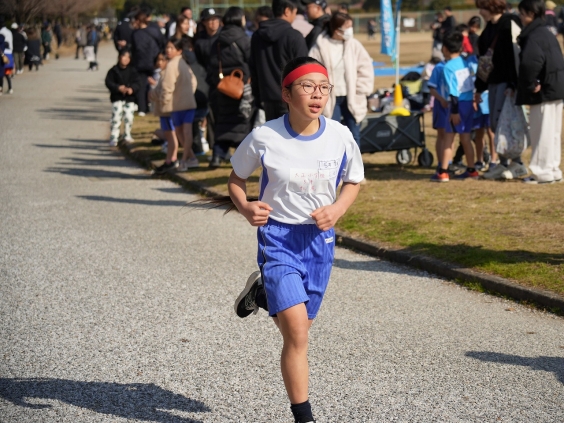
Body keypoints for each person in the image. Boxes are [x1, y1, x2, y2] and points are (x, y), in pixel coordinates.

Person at [229, 56, 364, 423]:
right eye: (307, 87)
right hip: (279, 239)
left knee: (299, 329)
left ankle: (262, 294)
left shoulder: (340, 135)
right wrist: (245, 207)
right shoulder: (265, 136)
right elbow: (236, 179)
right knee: (298, 336)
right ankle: (304, 418)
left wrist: (337, 210)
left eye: (324, 88)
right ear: (286, 94)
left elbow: (353, 181)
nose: (317, 94)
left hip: (319, 242)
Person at [475, 0, 525, 180]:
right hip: (493, 81)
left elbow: (515, 55)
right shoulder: (489, 27)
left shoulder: (509, 23)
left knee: (506, 123)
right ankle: (504, 163)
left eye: (482, 8)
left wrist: (513, 84)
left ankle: (517, 163)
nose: (480, 12)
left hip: (506, 82)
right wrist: (479, 88)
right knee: (495, 124)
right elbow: (484, 59)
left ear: (491, 7)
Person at [516, 0, 564, 183]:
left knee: (541, 132)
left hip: (544, 91)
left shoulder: (534, 35)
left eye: (522, 13)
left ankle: (541, 172)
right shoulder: (546, 32)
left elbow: (530, 63)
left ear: (531, 13)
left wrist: (530, 84)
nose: (520, 17)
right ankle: (552, 169)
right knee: (553, 133)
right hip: (556, 87)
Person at [308, 12, 374, 147]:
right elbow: (311, 72)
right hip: (329, 99)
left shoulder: (354, 45)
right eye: (347, 27)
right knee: (331, 135)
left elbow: (365, 68)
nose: (351, 30)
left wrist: (360, 89)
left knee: (354, 135)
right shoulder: (320, 47)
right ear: (337, 30)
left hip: (352, 96)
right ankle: (335, 160)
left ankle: (354, 161)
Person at [206, 7, 253, 168]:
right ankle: (241, 159)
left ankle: (217, 156)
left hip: (223, 87)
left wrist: (217, 82)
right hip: (242, 87)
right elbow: (251, 61)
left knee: (223, 122)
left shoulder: (217, 41)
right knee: (242, 122)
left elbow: (212, 65)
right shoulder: (244, 39)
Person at [250, 0, 308, 121]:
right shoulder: (294, 36)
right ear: (287, 11)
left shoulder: (257, 35)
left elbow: (253, 68)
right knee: (292, 131)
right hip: (291, 97)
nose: (294, 17)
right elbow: (303, 71)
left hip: (267, 97)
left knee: (273, 131)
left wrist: (257, 96)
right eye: (294, 12)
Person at [433, 31, 479, 182]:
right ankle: (472, 170)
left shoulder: (448, 67)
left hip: (457, 105)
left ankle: (443, 172)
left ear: (445, 49)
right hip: (469, 104)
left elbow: (453, 91)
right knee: (466, 138)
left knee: (448, 138)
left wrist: (453, 111)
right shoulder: (466, 63)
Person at [155, 37, 198, 173]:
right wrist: (188, 94)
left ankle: (184, 160)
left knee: (181, 133)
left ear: (178, 50)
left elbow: (167, 86)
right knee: (185, 132)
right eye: (167, 47)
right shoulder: (184, 63)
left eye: (171, 48)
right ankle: (191, 158)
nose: (168, 50)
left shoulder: (172, 65)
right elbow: (194, 82)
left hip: (177, 105)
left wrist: (164, 101)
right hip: (189, 103)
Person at [131, 8, 165, 115]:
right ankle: (156, 106)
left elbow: (133, 50)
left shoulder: (135, 34)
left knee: (141, 86)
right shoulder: (155, 30)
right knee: (156, 84)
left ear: (138, 20)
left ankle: (142, 108)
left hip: (140, 63)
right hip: (155, 62)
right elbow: (162, 43)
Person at [105, 49, 141, 146]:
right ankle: (114, 137)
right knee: (116, 117)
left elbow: (138, 83)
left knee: (129, 117)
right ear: (119, 57)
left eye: (128, 57)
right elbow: (108, 82)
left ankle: (127, 134)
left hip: (130, 99)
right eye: (123, 56)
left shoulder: (133, 71)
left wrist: (132, 89)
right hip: (117, 98)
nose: (125, 59)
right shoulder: (113, 71)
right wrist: (118, 88)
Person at [149, 52, 180, 158]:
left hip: (167, 109)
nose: (160, 62)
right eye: (158, 60)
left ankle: (173, 158)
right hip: (163, 109)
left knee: (171, 134)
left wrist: (163, 101)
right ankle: (171, 158)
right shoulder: (160, 73)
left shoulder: (168, 74)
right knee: (168, 133)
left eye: (163, 60)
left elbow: (165, 90)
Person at [428, 58, 449, 177]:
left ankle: (448, 163)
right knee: (442, 134)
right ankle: (441, 163)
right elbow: (432, 88)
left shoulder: (458, 64)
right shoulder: (439, 67)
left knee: (450, 135)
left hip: (453, 105)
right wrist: (441, 100)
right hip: (441, 106)